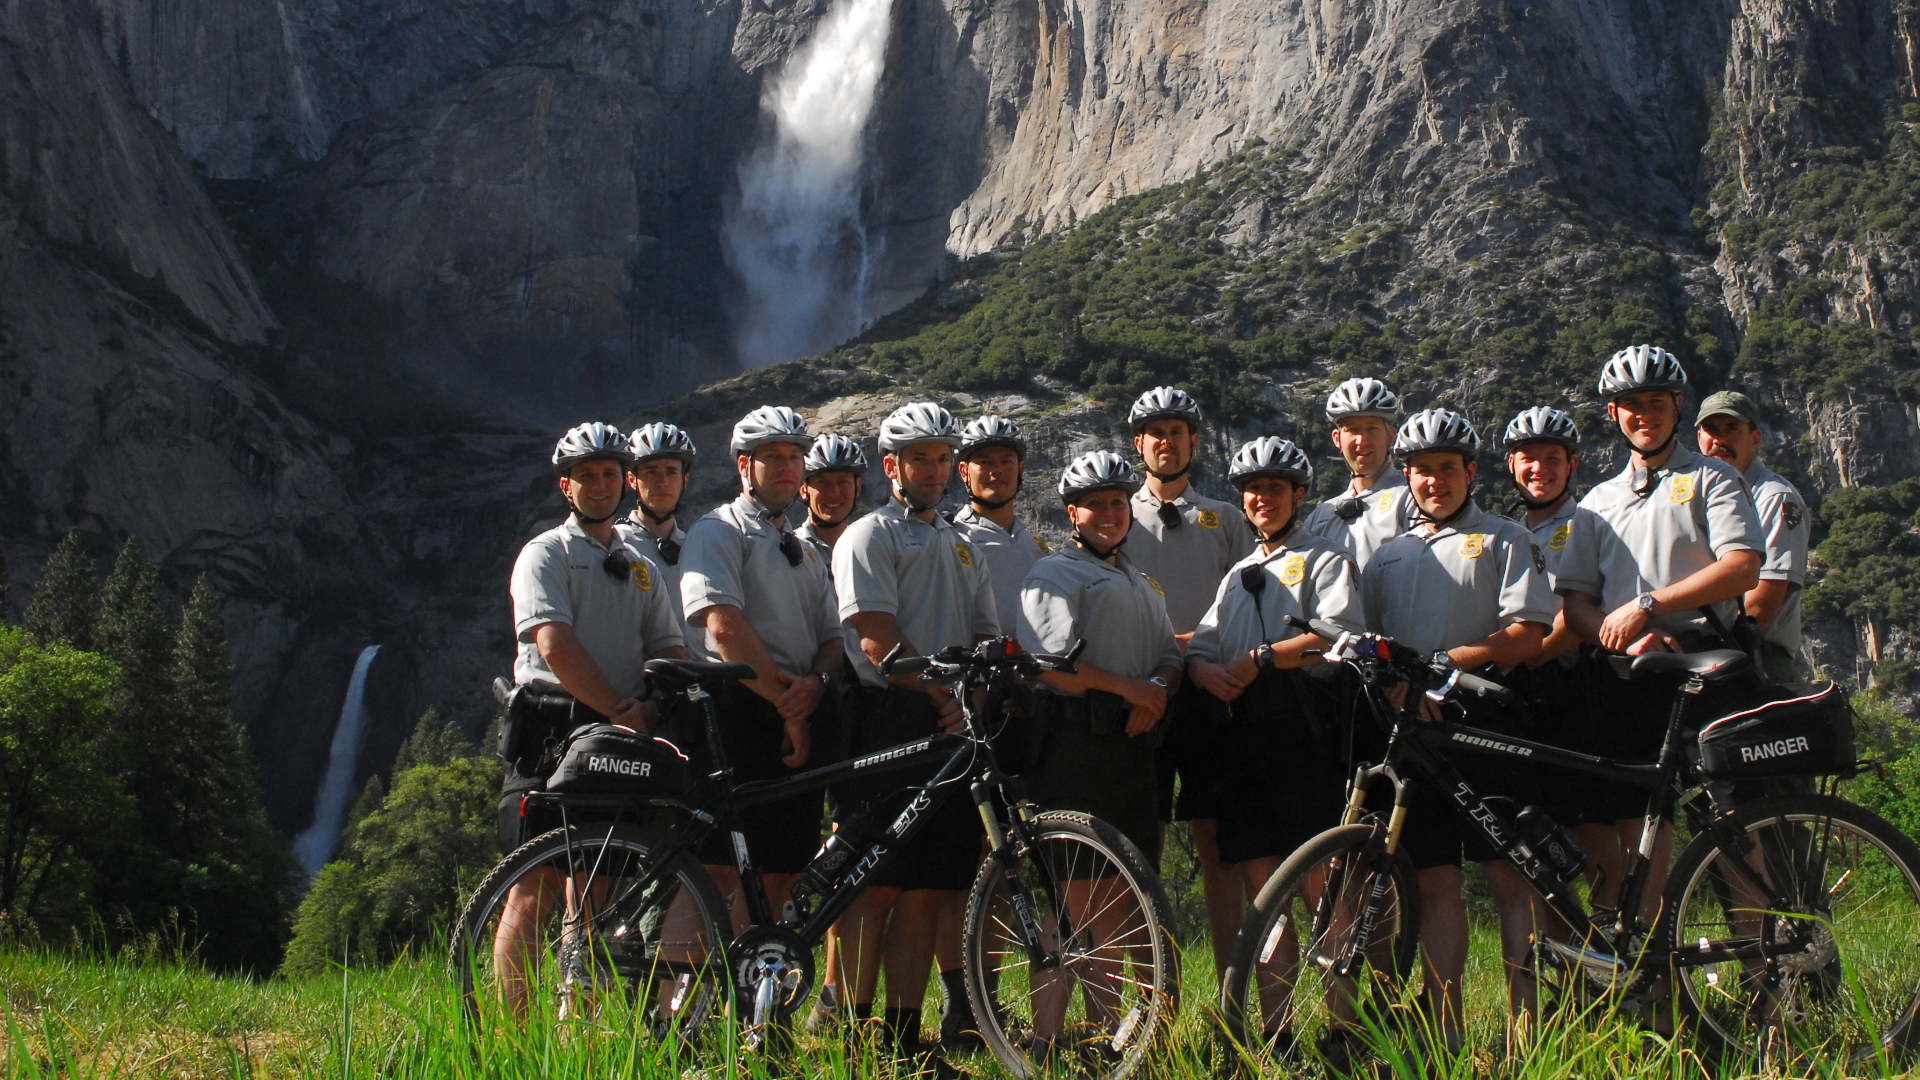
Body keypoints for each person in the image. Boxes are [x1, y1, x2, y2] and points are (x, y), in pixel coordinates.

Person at [1361, 408, 1554, 1049]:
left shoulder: (1504, 538)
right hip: (1416, 734)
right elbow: (1380, 650)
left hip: (1488, 723)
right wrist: (1397, 685)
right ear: (1406, 477)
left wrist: (1446, 664)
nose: (1434, 481)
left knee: (1510, 878)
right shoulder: (1387, 556)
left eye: (1448, 468)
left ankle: (1527, 1034)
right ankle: (1447, 1036)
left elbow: (1528, 633)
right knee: (1435, 881)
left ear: (1471, 471)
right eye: (1421, 470)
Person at [1556, 346, 1762, 928]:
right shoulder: (1597, 502)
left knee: (1732, 829)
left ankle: (1772, 988)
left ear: (1677, 406)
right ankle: (1659, 991)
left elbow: (1742, 566)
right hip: (1629, 677)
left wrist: (1647, 607)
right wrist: (1622, 635)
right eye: (1629, 404)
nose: (1642, 413)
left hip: (1707, 666)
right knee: (1644, 840)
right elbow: (1576, 604)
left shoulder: (1711, 476)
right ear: (1614, 415)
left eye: (1655, 402)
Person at [498, 422, 690, 1013]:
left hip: (619, 732)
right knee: (535, 884)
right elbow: (553, 643)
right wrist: (622, 709)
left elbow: (670, 647)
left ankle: (575, 1025)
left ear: (623, 482)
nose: (601, 484)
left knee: (599, 885)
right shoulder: (544, 553)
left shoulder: (641, 564)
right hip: (550, 729)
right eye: (588, 475)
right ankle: (508, 1038)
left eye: (610, 473)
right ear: (566, 486)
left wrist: (659, 704)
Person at [832, 402, 999, 1067]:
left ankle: (904, 1040)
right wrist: (945, 695)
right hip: (887, 721)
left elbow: (985, 633)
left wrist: (974, 697)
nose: (935, 469)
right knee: (874, 885)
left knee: (930, 888)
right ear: (891, 466)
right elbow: (873, 633)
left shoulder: (962, 542)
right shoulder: (868, 535)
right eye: (919, 458)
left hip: (954, 724)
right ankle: (847, 1029)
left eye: (941, 457)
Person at [1185, 437, 1363, 1057]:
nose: (1263, 499)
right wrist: (1205, 672)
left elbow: (1337, 635)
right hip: (1242, 743)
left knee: (1322, 890)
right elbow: (1204, 644)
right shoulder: (1236, 575)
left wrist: (1262, 659)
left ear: (1299, 497)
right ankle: (1277, 1032)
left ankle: (1343, 1031)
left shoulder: (1326, 559)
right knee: (1265, 898)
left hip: (1304, 740)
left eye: (1276, 489)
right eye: (1253, 491)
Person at [1015, 450, 1182, 1056]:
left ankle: (1105, 1041)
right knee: (1078, 902)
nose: (1110, 513)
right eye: (1096, 504)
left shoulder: (1138, 578)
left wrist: (1156, 690)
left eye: (1119, 503)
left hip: (1131, 746)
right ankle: (1052, 1041)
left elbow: (1169, 653)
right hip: (1072, 746)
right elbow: (1049, 666)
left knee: (1123, 897)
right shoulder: (1054, 575)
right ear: (1072, 512)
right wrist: (1128, 687)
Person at [678, 406, 848, 935]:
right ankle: (670, 1016)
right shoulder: (717, 530)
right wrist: (787, 703)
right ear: (744, 467)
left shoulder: (803, 548)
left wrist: (815, 685)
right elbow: (723, 627)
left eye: (794, 458)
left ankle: (753, 1010)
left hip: (796, 708)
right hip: (735, 714)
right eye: (771, 457)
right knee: (715, 873)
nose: (785, 468)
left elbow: (833, 637)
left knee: (781, 873)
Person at [1121, 385, 1254, 979]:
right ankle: (1147, 1003)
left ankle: (1229, 998)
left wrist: (1193, 654)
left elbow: (1248, 604)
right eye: (1156, 432)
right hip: (1140, 693)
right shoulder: (1114, 515)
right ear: (1137, 444)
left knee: (1218, 846)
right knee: (1134, 848)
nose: (1166, 442)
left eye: (1177, 431)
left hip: (1207, 697)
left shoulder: (1227, 519)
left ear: (1194, 442)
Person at [1500, 408, 1633, 913]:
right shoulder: (1507, 531)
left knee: (1591, 832)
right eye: (1528, 459)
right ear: (1511, 465)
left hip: (1576, 687)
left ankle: (1619, 953)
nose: (1540, 469)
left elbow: (1578, 606)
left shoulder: (1587, 522)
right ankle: (1574, 965)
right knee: (1538, 838)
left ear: (1572, 464)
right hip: (1522, 696)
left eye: (1551, 458)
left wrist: (1525, 654)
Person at [1695, 390, 1811, 681]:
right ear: (1699, 439)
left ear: (1755, 438)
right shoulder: (1694, 498)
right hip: (1705, 655)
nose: (1719, 439)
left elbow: (1760, 606)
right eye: (1711, 429)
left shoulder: (1774, 499)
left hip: (1759, 663)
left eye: (1732, 428)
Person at [950, 415, 1051, 633]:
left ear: (1021, 470)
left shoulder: (1040, 549)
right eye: (985, 462)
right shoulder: (949, 541)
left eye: (1006, 461)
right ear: (964, 471)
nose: (996, 470)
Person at [1305, 377, 1413, 568]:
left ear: (1390, 436)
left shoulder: (1411, 498)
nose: (1362, 441)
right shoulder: (1321, 516)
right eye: (1352, 430)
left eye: (1372, 428)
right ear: (1337, 439)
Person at [797, 433, 869, 558]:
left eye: (843, 482)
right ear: (803, 489)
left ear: (857, 487)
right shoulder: (788, 550)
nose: (834, 493)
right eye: (822, 482)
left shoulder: (872, 549)